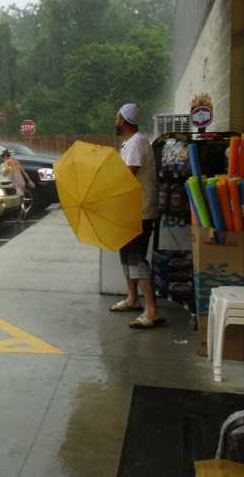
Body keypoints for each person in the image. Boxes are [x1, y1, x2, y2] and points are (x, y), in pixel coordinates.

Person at [110, 103, 164, 329]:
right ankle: (132, 298)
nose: (115, 121)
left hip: (140, 212)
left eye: (117, 117)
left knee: (137, 258)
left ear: (122, 119)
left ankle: (151, 311)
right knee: (125, 254)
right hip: (129, 210)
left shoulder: (137, 143)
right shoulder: (129, 144)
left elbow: (127, 176)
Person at [0, 149, 35, 218]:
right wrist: (30, 181)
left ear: (5, 157)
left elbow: (7, 173)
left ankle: (20, 212)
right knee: (21, 197)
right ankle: (23, 210)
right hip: (21, 180)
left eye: (3, 157)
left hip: (15, 180)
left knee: (17, 197)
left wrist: (10, 179)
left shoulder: (7, 162)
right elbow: (24, 172)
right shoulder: (16, 161)